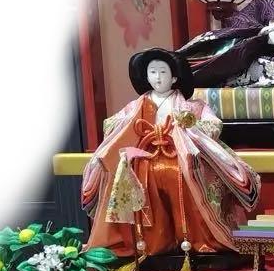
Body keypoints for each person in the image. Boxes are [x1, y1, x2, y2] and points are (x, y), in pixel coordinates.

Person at [81, 48, 261, 258]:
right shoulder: (135, 106)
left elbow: (213, 124)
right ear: (146, 76)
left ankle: (195, 238)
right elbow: (111, 125)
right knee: (134, 176)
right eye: (153, 72)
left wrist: (189, 127)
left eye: (163, 72)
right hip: (144, 154)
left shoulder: (192, 106)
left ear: (174, 77)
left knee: (184, 175)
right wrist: (129, 127)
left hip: (179, 154)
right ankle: (151, 243)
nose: (157, 77)